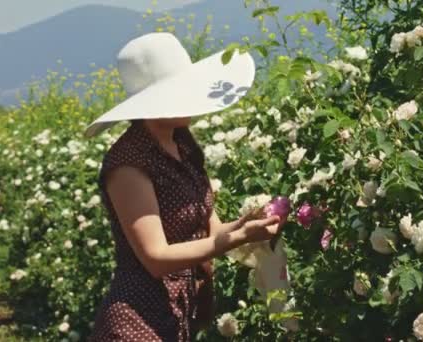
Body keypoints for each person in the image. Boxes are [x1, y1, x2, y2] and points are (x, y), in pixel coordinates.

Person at [84, 32, 283, 342]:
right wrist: (237, 238)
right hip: (137, 322)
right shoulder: (128, 164)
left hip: (181, 315)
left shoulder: (182, 144)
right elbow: (156, 257)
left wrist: (247, 224)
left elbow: (212, 231)